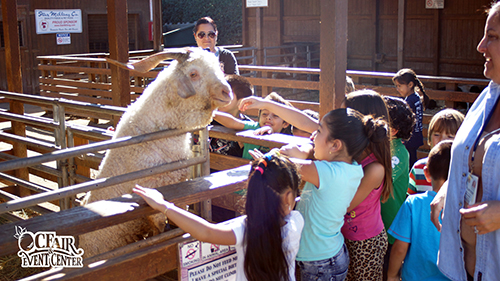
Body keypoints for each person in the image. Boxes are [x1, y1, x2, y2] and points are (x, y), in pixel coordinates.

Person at [247, 106, 388, 281]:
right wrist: (303, 150)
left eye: (319, 131)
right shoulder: (351, 168)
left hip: (320, 262)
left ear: (335, 145)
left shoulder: (327, 172)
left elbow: (282, 164)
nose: (313, 136)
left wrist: (269, 157)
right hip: (328, 254)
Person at [133, 154, 304, 281]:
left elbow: (206, 232)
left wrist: (163, 205)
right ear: (289, 197)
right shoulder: (297, 222)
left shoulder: (245, 229)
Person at [430, 3, 500, 280]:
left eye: (492, 36)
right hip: (463, 267)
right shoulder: (488, 97)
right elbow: (474, 159)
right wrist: (451, 186)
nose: (481, 46)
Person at [341, 90, 393, 281]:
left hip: (366, 243)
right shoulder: (351, 154)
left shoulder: (374, 168)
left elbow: (346, 205)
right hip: (344, 236)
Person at [387, 140, 452, 281]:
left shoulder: (413, 203)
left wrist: (392, 276)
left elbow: (399, 248)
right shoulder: (465, 207)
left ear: (426, 174)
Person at [380, 96, 414, 277]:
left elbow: (379, 181)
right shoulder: (383, 147)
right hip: (379, 224)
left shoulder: (398, 152)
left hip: (391, 226)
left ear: (393, 130)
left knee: (387, 270)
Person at [214, 92, 293, 160]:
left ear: (285, 123)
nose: (268, 117)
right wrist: (211, 112)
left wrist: (271, 135)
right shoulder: (254, 127)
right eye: (264, 114)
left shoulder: (286, 141)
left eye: (275, 116)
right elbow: (232, 122)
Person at [407, 108, 464, 194]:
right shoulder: (419, 168)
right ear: (429, 138)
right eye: (437, 135)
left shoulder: (466, 171)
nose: (442, 140)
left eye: (450, 136)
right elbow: (409, 200)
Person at [392, 68, 430, 168]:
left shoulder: (410, 101)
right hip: (416, 135)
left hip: (410, 137)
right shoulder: (416, 97)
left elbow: (406, 120)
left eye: (400, 86)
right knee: (412, 158)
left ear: (410, 85)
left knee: (408, 162)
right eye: (396, 86)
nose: (398, 89)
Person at [210, 74, 253, 157]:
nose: (219, 97)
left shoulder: (247, 127)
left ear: (242, 102)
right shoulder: (208, 119)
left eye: (226, 94)